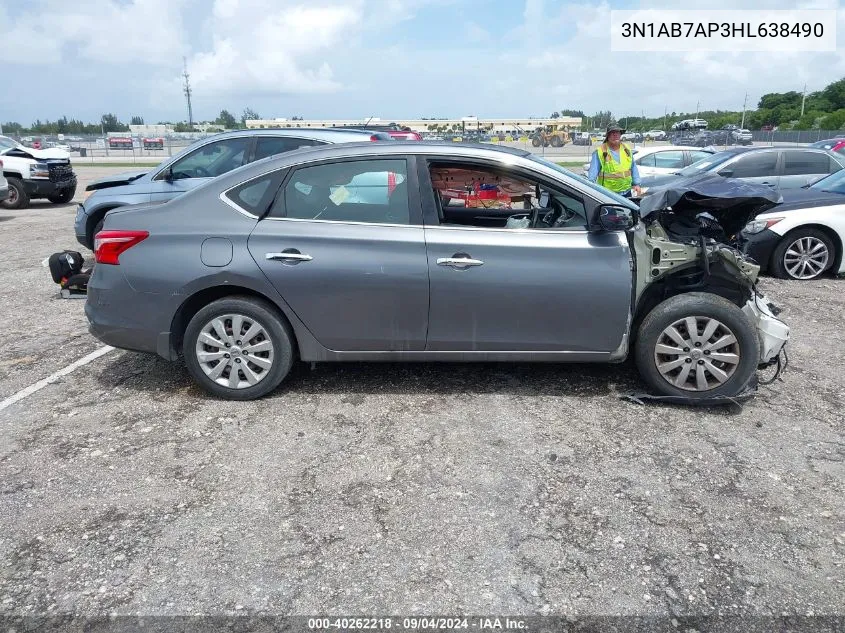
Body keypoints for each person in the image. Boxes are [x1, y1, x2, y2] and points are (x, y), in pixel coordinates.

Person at [587, 125, 642, 197]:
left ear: (620, 134)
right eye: (612, 133)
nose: (615, 135)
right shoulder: (600, 151)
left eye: (617, 132)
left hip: (626, 192)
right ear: (608, 136)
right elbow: (592, 175)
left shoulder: (626, 149)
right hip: (608, 194)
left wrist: (636, 184)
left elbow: (633, 167)